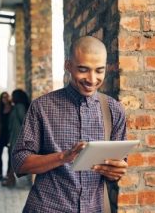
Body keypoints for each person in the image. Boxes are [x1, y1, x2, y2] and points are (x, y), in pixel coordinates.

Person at [11, 36, 128, 212]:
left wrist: (115, 172)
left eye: (99, 71)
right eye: (83, 69)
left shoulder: (114, 110)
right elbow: (19, 163)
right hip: (46, 208)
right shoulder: (42, 107)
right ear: (68, 66)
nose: (92, 79)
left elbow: (115, 171)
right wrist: (64, 157)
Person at [2, 89, 30, 187]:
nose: (12, 98)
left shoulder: (19, 107)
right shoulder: (16, 107)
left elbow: (24, 121)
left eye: (13, 96)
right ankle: (11, 178)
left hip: (18, 137)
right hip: (14, 136)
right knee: (12, 158)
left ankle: (11, 179)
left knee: (13, 158)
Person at [0, 92, 12, 182]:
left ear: (9, 98)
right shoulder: (0, 109)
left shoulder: (13, 108)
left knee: (10, 155)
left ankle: (8, 174)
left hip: (9, 135)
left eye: (6, 97)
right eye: (3, 97)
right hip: (1, 135)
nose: (5, 99)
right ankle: (0, 174)